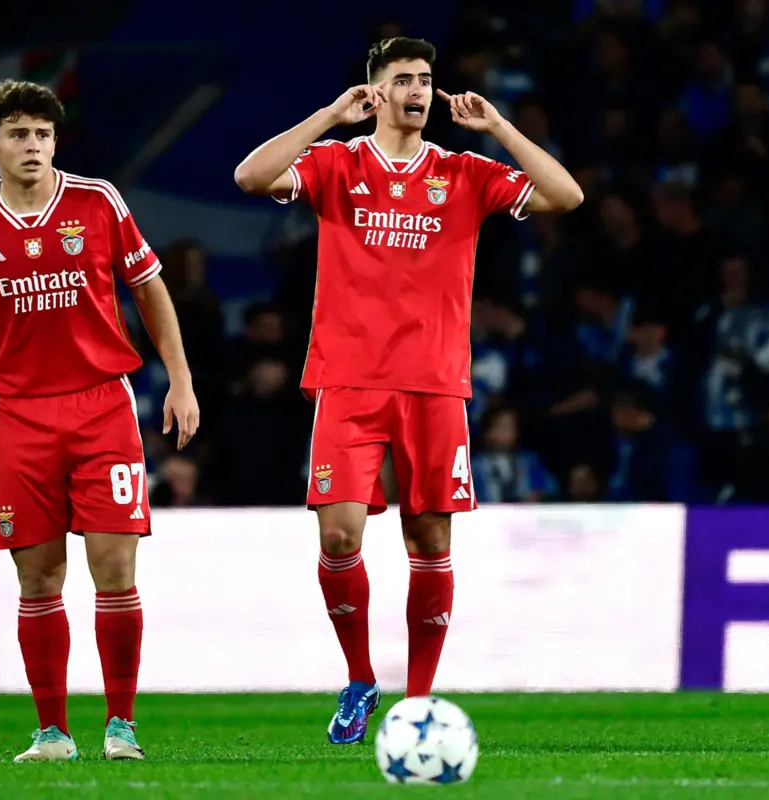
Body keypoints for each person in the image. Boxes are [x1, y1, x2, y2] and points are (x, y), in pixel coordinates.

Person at [233, 37, 582, 744]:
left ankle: (418, 701)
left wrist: (500, 127)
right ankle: (360, 678)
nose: (419, 90)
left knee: (428, 538)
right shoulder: (338, 163)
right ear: (375, 93)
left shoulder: (463, 171)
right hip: (348, 379)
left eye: (425, 79)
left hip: (434, 383)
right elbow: (250, 176)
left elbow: (565, 195)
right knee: (339, 534)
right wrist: (328, 118)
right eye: (403, 79)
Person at [0, 79, 200, 763]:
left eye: (42, 133)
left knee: (115, 569)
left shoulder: (97, 202)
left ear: (56, 141)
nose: (32, 145)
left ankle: (121, 725)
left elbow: (148, 287)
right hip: (22, 418)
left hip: (103, 406)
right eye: (18, 134)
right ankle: (52, 733)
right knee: (37, 579)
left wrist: (180, 380)